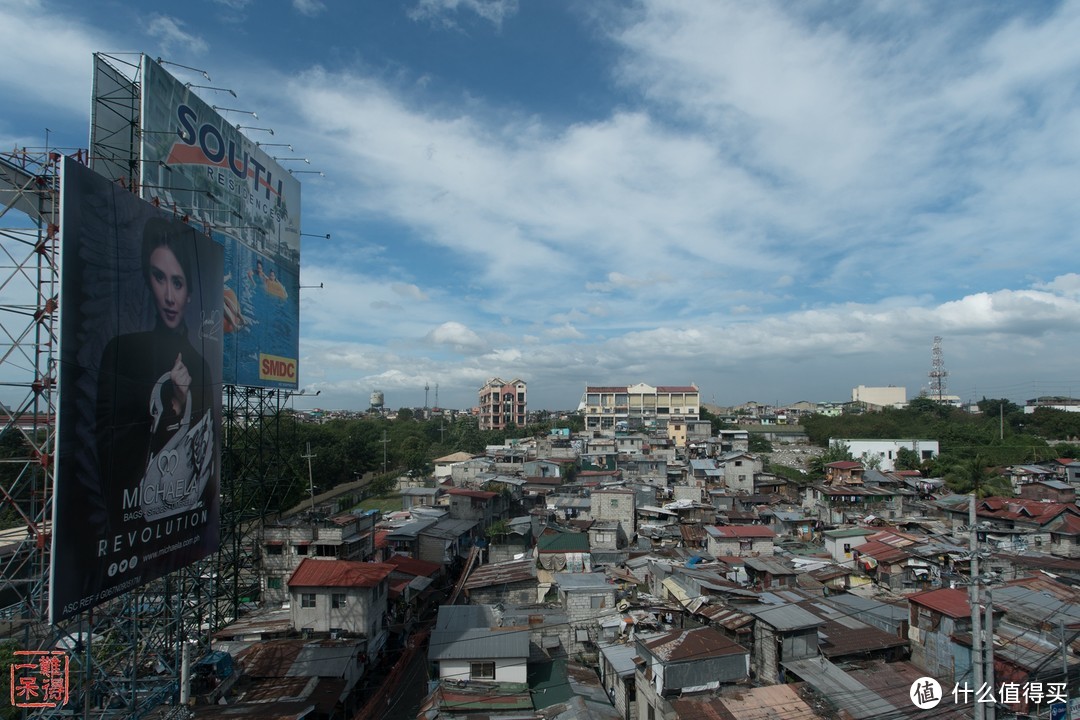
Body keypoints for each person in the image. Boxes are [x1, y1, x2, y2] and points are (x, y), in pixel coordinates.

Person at [95, 216, 216, 549]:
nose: (168, 296)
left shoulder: (202, 367)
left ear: (190, 291)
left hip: (186, 519)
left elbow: (203, 464)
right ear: (148, 280)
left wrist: (181, 405)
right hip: (128, 526)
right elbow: (106, 452)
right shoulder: (122, 352)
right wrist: (170, 411)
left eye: (178, 282)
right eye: (159, 277)